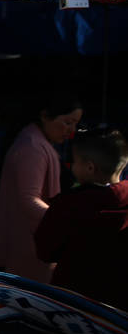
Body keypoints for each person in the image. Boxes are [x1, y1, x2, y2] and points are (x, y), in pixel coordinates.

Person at [0, 92, 82, 283]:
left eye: (75, 124)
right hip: (26, 244)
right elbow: (29, 200)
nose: (71, 131)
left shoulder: (36, 142)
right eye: (67, 122)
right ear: (45, 116)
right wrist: (66, 219)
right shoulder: (32, 147)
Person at [35, 127, 128, 310]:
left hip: (72, 304)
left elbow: (45, 251)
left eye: (74, 161)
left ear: (90, 167)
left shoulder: (69, 205)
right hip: (119, 310)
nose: (71, 166)